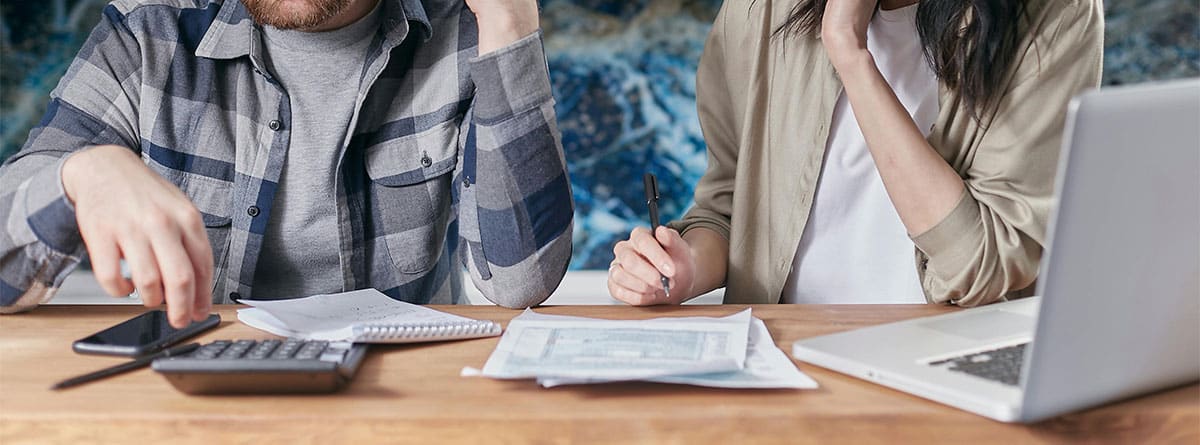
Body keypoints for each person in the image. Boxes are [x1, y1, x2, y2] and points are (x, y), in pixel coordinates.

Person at [0, 0, 574, 327]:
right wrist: (83, 175)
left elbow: (518, 281)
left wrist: (511, 21)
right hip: (196, 401)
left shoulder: (463, 29)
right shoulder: (149, 30)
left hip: (404, 401)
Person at [607, 0, 1103, 306]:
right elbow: (727, 210)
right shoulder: (761, 10)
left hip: (946, 376)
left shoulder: (1055, 16)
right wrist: (686, 266)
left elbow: (984, 267)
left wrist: (848, 50)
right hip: (783, 364)